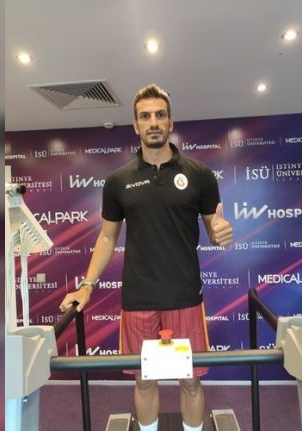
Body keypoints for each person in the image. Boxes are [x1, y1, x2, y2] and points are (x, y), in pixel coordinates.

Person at [60, 83, 233, 431]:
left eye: (159, 115)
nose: (153, 122)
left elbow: (213, 230)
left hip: (185, 296)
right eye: (145, 116)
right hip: (138, 298)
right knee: (143, 381)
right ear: (136, 126)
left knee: (190, 381)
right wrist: (87, 286)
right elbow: (107, 236)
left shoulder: (199, 175)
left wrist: (220, 234)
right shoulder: (118, 181)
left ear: (170, 122)